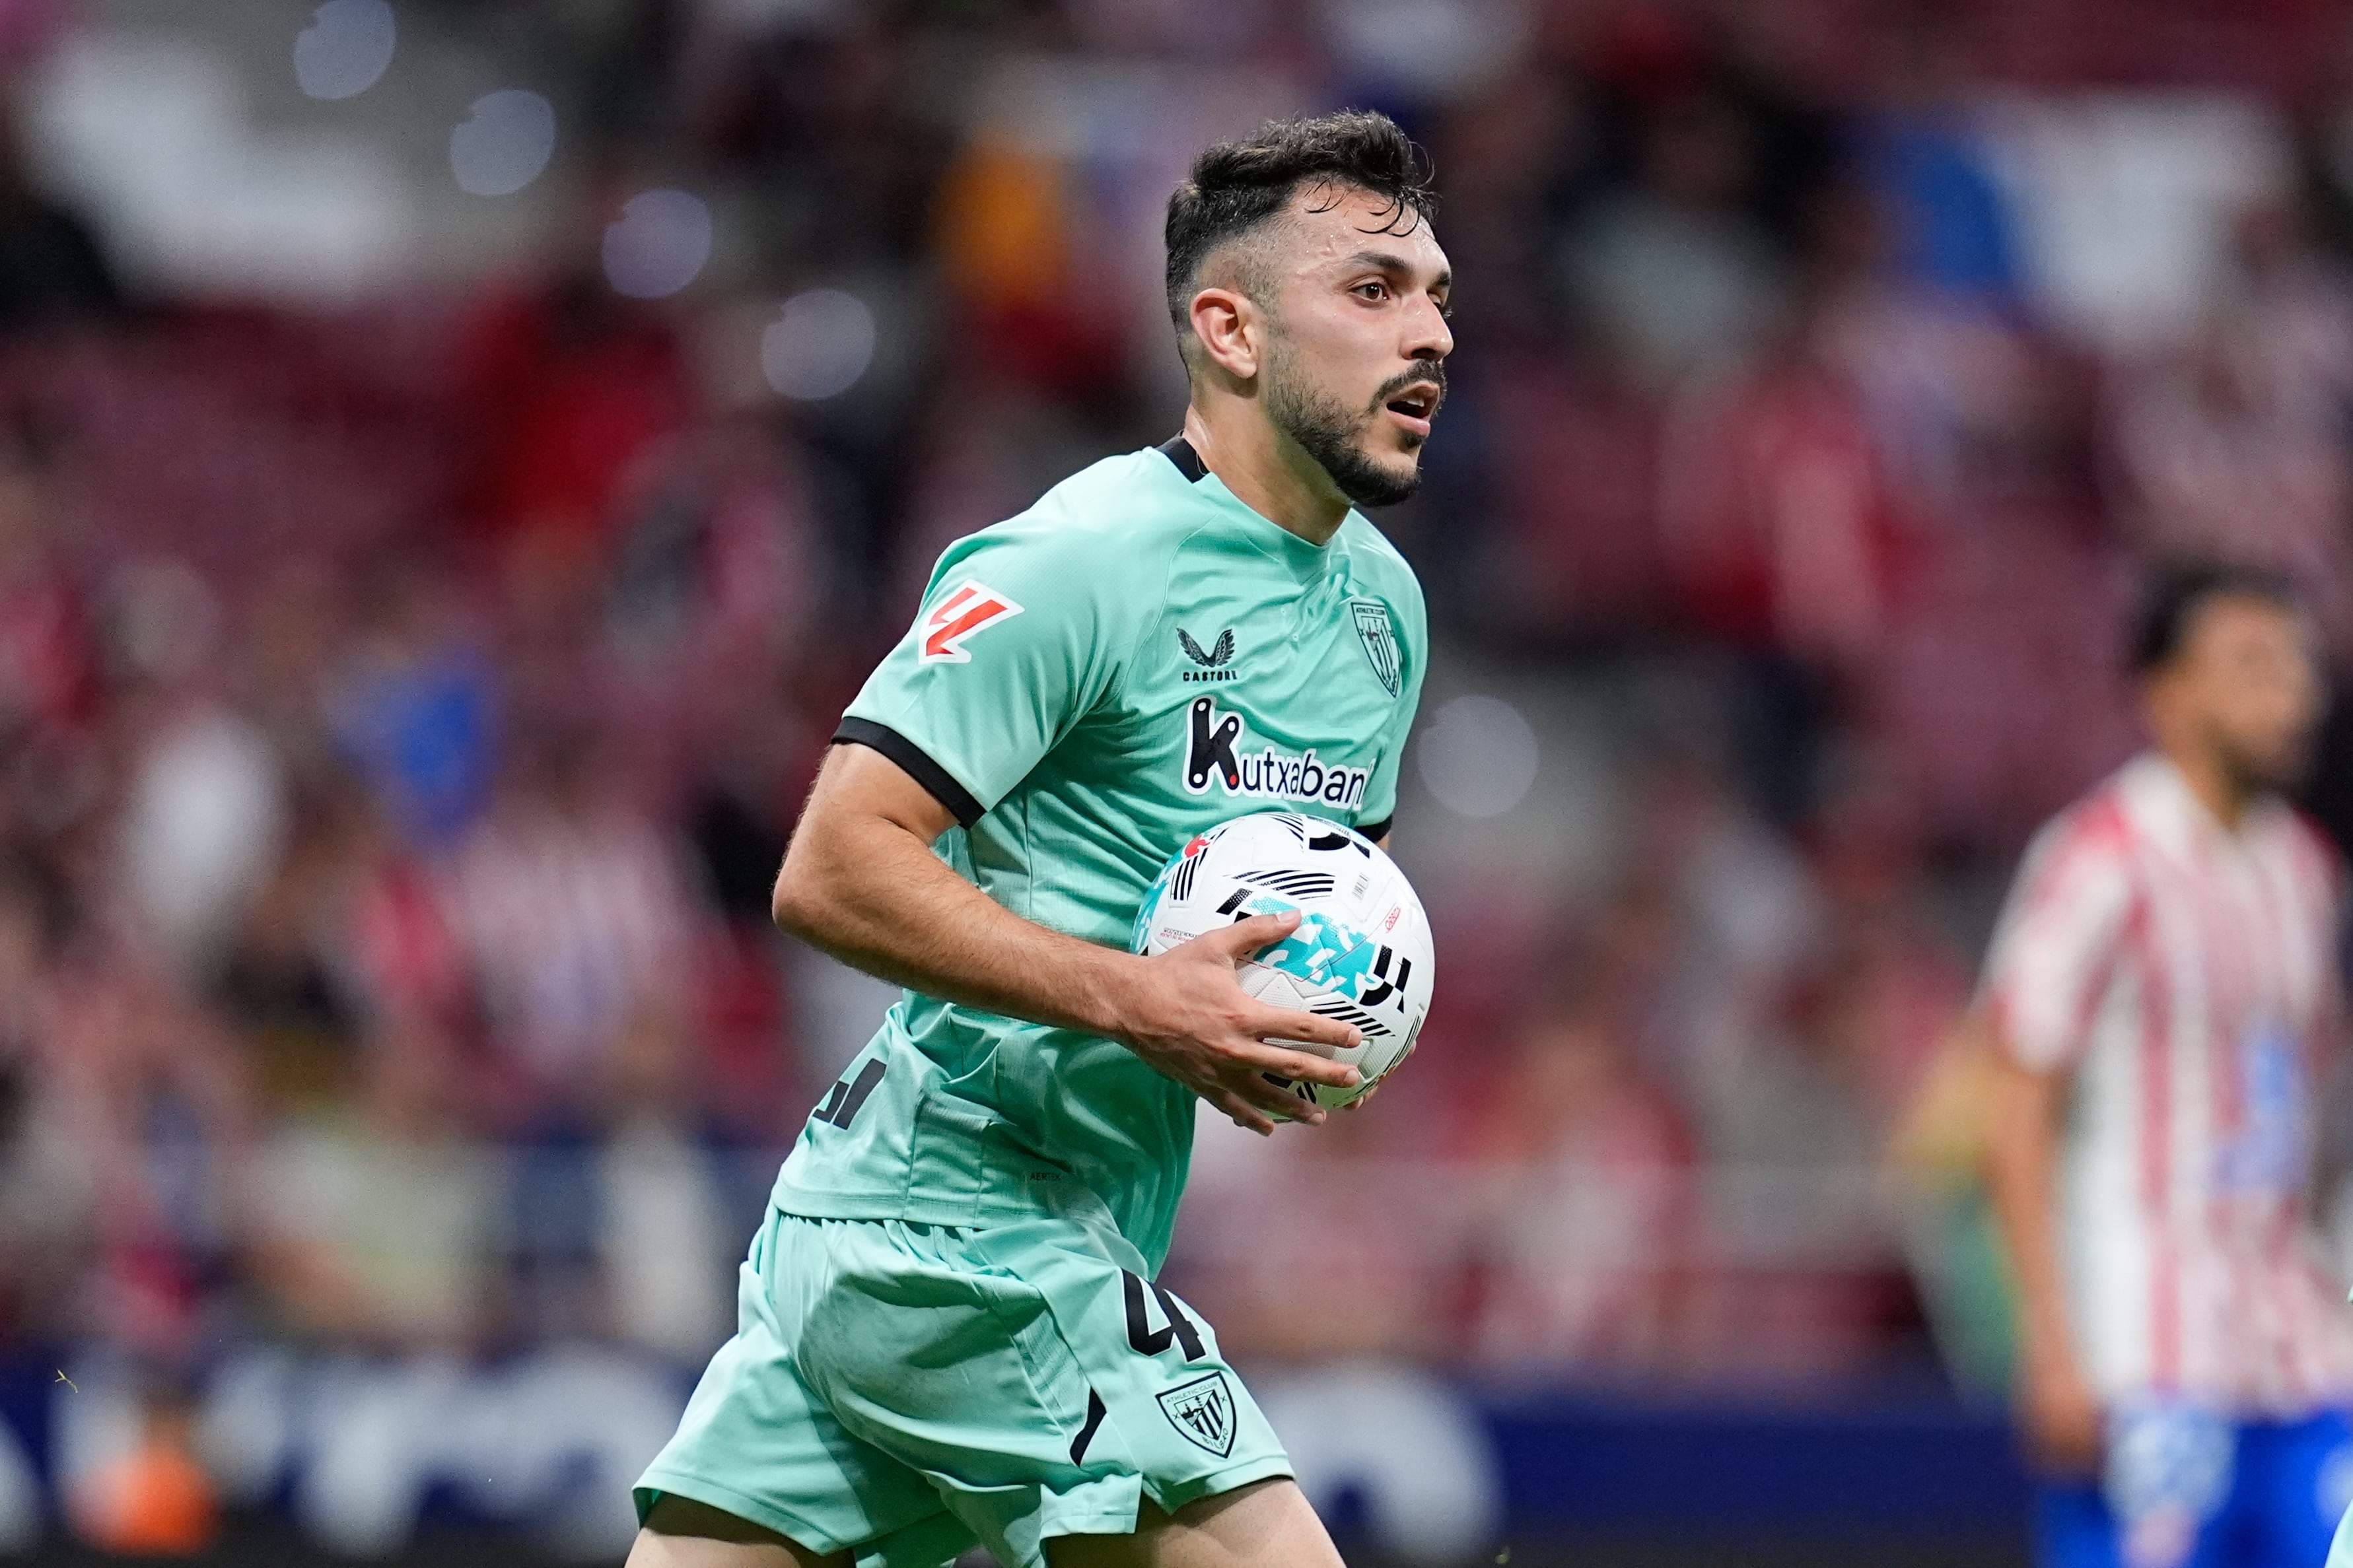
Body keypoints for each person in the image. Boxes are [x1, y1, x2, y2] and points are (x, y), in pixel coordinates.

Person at [626, 109, 1444, 1568]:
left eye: (1437, 291)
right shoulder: (1081, 561)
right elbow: (831, 864)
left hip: (985, 1224)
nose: (1431, 331)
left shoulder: (1385, 619)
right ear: (1231, 331)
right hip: (961, 1221)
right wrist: (1145, 1001)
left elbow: (1288, 926)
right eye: (1375, 292)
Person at [1978, 562, 2353, 1568]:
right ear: (2167, 696)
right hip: (2148, 1340)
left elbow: (2308, 1098)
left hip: (2296, 1340)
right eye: (2251, 666)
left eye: (2296, 667)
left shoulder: (2306, 871)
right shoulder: (2100, 858)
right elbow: (2015, 1102)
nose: (2289, 695)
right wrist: (2050, 1343)